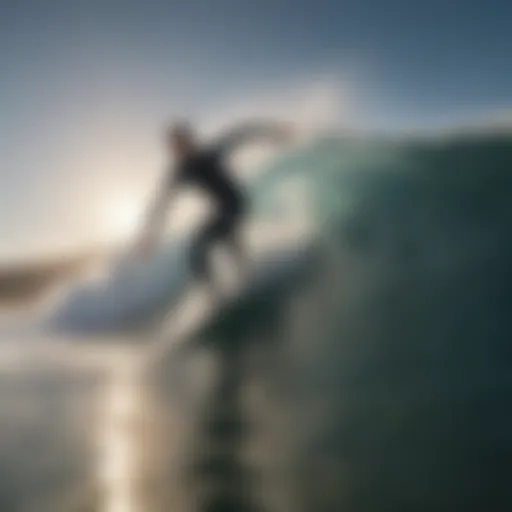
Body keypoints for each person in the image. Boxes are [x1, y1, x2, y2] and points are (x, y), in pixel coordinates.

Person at [136, 119, 291, 296]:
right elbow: (162, 203)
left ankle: (241, 280)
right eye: (175, 145)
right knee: (198, 251)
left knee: (212, 238)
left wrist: (274, 132)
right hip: (221, 211)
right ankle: (220, 292)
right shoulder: (180, 172)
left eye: (183, 141)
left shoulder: (210, 153)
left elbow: (241, 134)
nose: (180, 148)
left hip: (236, 203)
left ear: (190, 140)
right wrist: (151, 236)